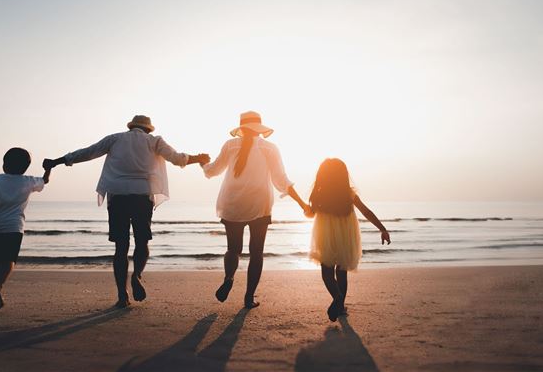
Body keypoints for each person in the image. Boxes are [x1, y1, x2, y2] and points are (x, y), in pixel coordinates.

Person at [43, 115, 209, 308]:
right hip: (141, 196)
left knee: (121, 247)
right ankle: (137, 275)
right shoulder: (155, 141)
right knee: (142, 241)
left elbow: (87, 153)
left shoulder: (115, 138)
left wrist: (56, 161)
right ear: (149, 129)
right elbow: (177, 158)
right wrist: (199, 158)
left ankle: (122, 295)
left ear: (131, 127)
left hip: (118, 196)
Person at [202, 111, 310, 309]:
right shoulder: (269, 148)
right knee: (256, 252)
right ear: (260, 127)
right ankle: (249, 297)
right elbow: (281, 180)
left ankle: (229, 278)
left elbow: (213, 170)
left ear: (241, 128)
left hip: (232, 203)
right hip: (259, 205)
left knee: (233, 249)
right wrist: (302, 204)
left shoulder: (230, 145)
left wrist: (203, 163)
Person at [305, 158, 391, 321]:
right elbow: (366, 212)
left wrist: (306, 209)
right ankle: (341, 305)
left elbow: (311, 213)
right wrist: (382, 228)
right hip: (346, 234)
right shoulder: (349, 193)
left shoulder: (319, 193)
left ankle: (337, 299)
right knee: (342, 271)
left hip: (325, 234)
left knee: (327, 272)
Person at [0, 147, 51, 309]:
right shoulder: (28, 180)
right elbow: (45, 181)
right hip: (14, 227)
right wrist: (48, 169)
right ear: (25, 167)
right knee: (9, 260)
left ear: (5, 164)